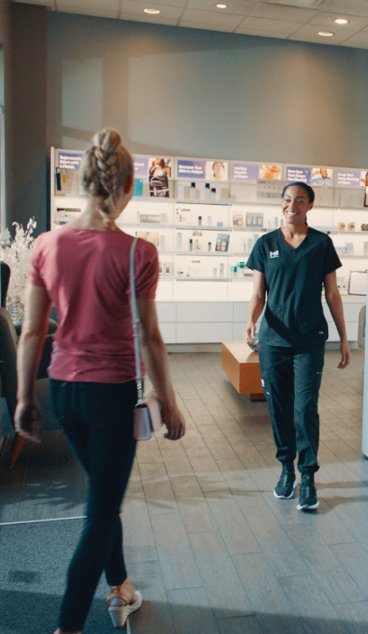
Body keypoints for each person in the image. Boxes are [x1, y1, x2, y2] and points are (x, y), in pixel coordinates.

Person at [15, 128, 186, 634]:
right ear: (128, 186)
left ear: (82, 182)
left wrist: (25, 396)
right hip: (112, 394)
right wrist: (171, 405)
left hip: (64, 390)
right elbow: (151, 337)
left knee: (101, 493)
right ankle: (68, 625)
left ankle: (122, 587)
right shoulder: (139, 253)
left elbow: (29, 333)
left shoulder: (47, 245)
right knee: (100, 509)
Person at [245, 181, 350, 511]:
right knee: (278, 409)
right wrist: (251, 320)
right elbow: (258, 293)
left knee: (304, 408)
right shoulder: (265, 244)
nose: (293, 205)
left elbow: (332, 294)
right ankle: (285, 471)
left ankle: (308, 476)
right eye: (288, 200)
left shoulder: (321, 244)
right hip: (273, 341)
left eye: (300, 201)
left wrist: (345, 338)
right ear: (281, 204)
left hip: (309, 340)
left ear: (310, 206)